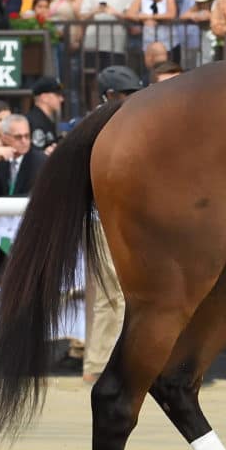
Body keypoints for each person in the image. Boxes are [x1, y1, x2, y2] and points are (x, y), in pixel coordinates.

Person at [82, 65, 144, 384]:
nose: (133, 100)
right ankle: (109, 367)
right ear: (109, 96)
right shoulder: (102, 128)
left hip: (117, 220)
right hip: (105, 220)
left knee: (112, 295)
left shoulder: (115, 125)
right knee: (117, 294)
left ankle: (98, 364)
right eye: (127, 95)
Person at [0, 114, 45, 197]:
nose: (24, 141)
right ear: (4, 137)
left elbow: (31, 196)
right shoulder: (0, 159)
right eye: (18, 137)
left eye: (27, 136)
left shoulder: (39, 161)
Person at [27, 77, 64, 153]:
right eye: (57, 95)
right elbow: (36, 153)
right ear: (44, 97)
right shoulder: (35, 121)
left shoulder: (45, 120)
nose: (61, 99)